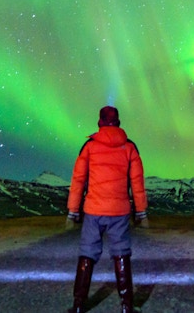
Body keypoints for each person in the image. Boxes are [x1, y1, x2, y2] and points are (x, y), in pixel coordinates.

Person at [66, 105, 148, 313]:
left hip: (93, 210)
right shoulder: (129, 147)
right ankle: (127, 306)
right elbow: (137, 182)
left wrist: (73, 211)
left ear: (99, 122)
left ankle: (78, 305)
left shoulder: (89, 147)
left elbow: (78, 180)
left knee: (87, 254)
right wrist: (141, 212)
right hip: (119, 211)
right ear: (118, 122)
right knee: (121, 254)